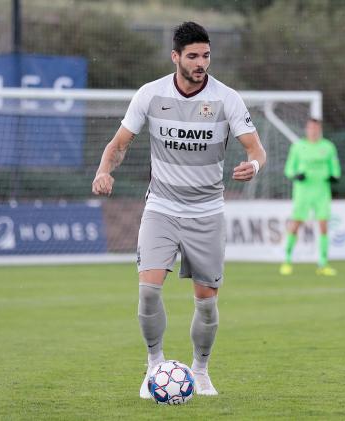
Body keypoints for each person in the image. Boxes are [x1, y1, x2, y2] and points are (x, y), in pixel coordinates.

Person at [92, 21, 266, 398]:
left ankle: (200, 371)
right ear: (176, 57)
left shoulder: (227, 98)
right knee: (149, 292)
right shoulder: (150, 94)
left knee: (206, 304)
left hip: (207, 211)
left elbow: (256, 149)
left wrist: (253, 166)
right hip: (162, 208)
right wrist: (104, 170)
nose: (201, 62)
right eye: (193, 56)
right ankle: (154, 366)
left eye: (205, 55)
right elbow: (119, 143)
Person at [280, 117, 341, 277]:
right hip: (303, 191)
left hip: (322, 191)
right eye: (311, 128)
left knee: (323, 225)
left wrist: (334, 176)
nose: (313, 131)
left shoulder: (328, 147)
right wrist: (296, 175)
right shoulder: (298, 147)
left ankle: (323, 264)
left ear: (319, 130)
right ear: (307, 130)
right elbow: (288, 169)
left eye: (316, 129)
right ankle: (286, 260)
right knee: (296, 223)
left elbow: (335, 168)